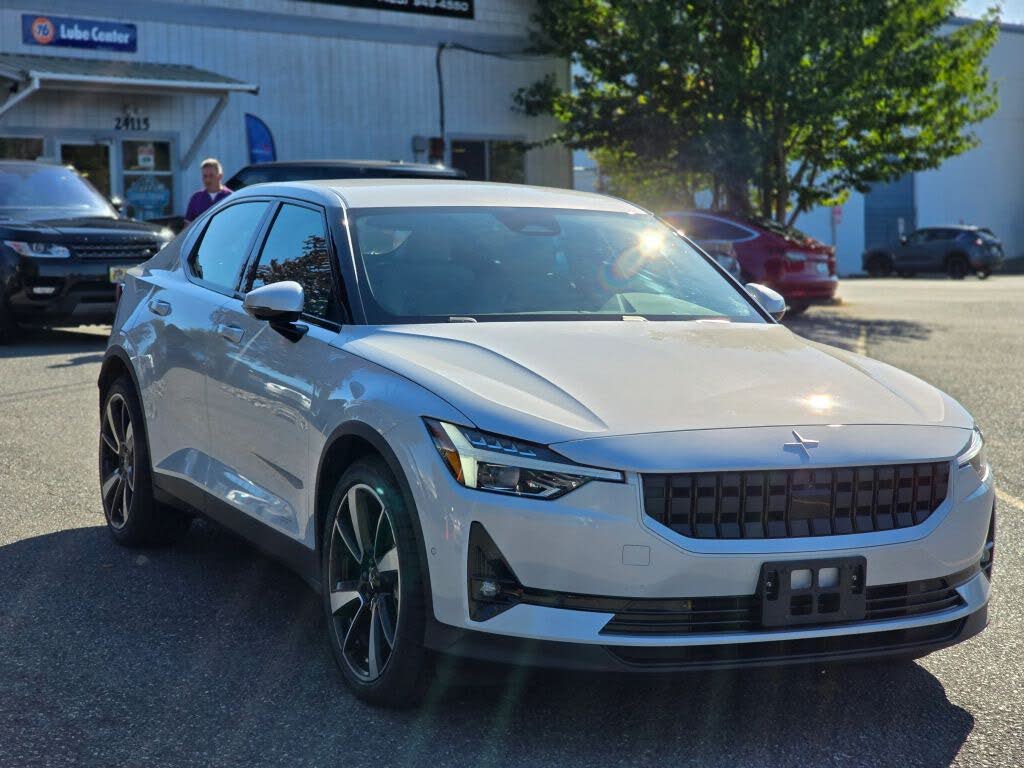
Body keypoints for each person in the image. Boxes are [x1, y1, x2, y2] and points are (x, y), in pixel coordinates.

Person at [184, 158, 231, 224]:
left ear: (220, 176)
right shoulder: (196, 198)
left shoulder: (230, 197)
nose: (208, 180)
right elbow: (188, 225)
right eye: (205, 176)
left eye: (211, 176)